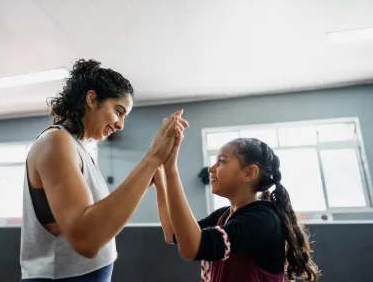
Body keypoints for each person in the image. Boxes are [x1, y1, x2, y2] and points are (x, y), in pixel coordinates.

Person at [20, 59, 188, 281]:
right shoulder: (56, 142)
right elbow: (86, 239)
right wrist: (151, 159)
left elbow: (99, 217)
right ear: (92, 99)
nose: (121, 125)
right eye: (118, 111)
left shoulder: (78, 148)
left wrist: (148, 173)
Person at [153, 131, 319, 282]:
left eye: (222, 161)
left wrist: (171, 170)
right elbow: (173, 234)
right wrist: (160, 182)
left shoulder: (262, 219)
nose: (211, 169)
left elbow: (192, 248)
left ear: (249, 173)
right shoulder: (223, 215)